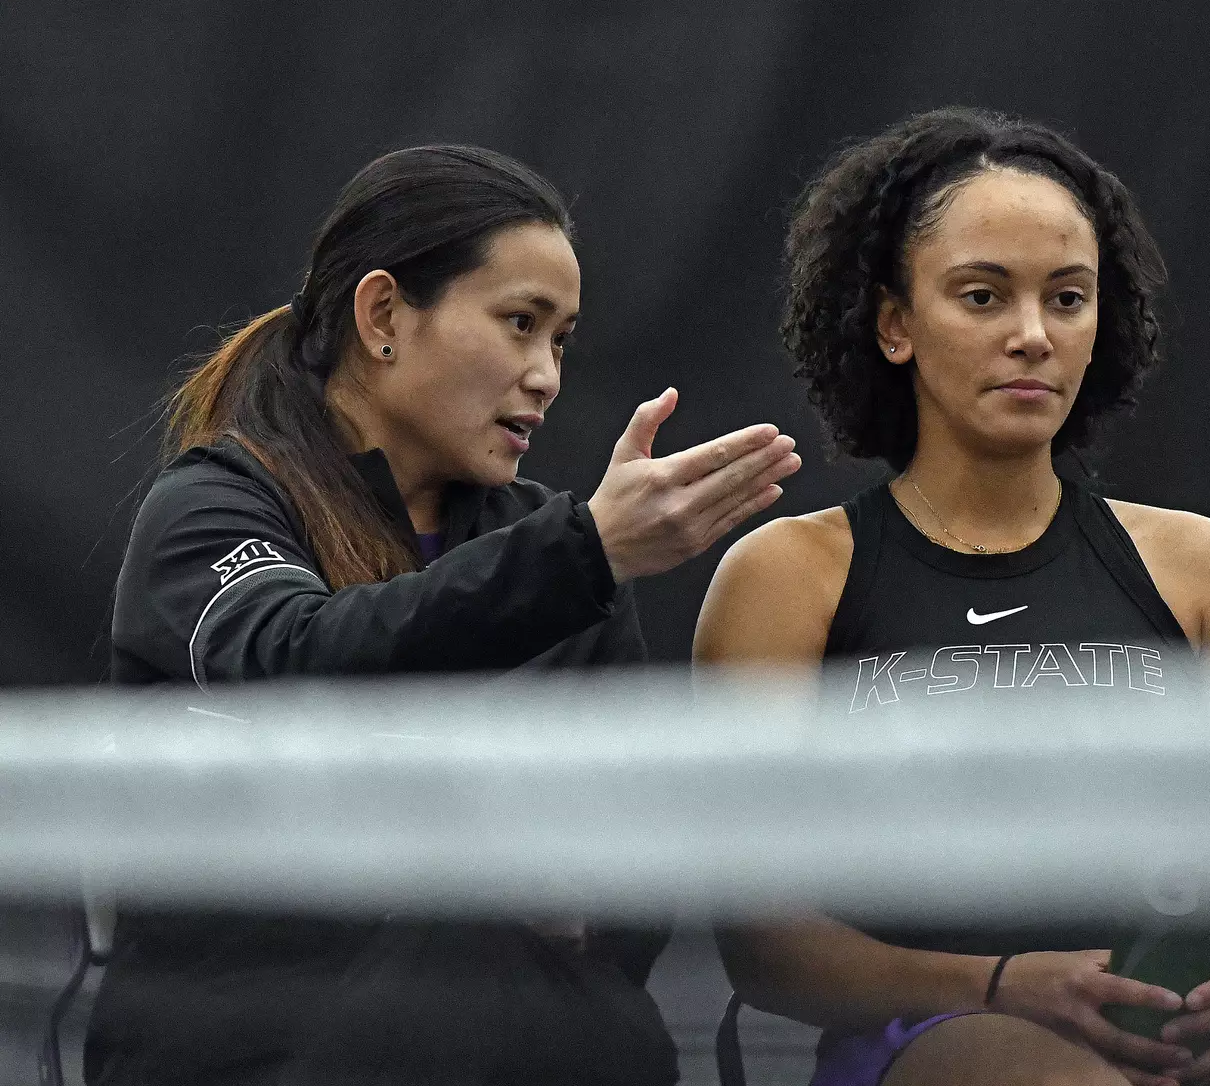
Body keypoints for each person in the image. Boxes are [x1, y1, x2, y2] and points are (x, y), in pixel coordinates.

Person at [693, 109, 1210, 1086]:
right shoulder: (786, 576)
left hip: (1201, 1041)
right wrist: (1002, 983)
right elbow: (764, 940)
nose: (1032, 335)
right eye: (983, 295)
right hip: (935, 1035)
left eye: (1067, 297)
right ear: (894, 323)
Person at [90, 144, 801, 1086]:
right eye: (519, 323)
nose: (545, 374)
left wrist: (581, 894)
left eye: (561, 340)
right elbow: (294, 656)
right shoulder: (214, 506)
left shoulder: (557, 549)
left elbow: (637, 879)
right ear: (383, 315)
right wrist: (589, 552)